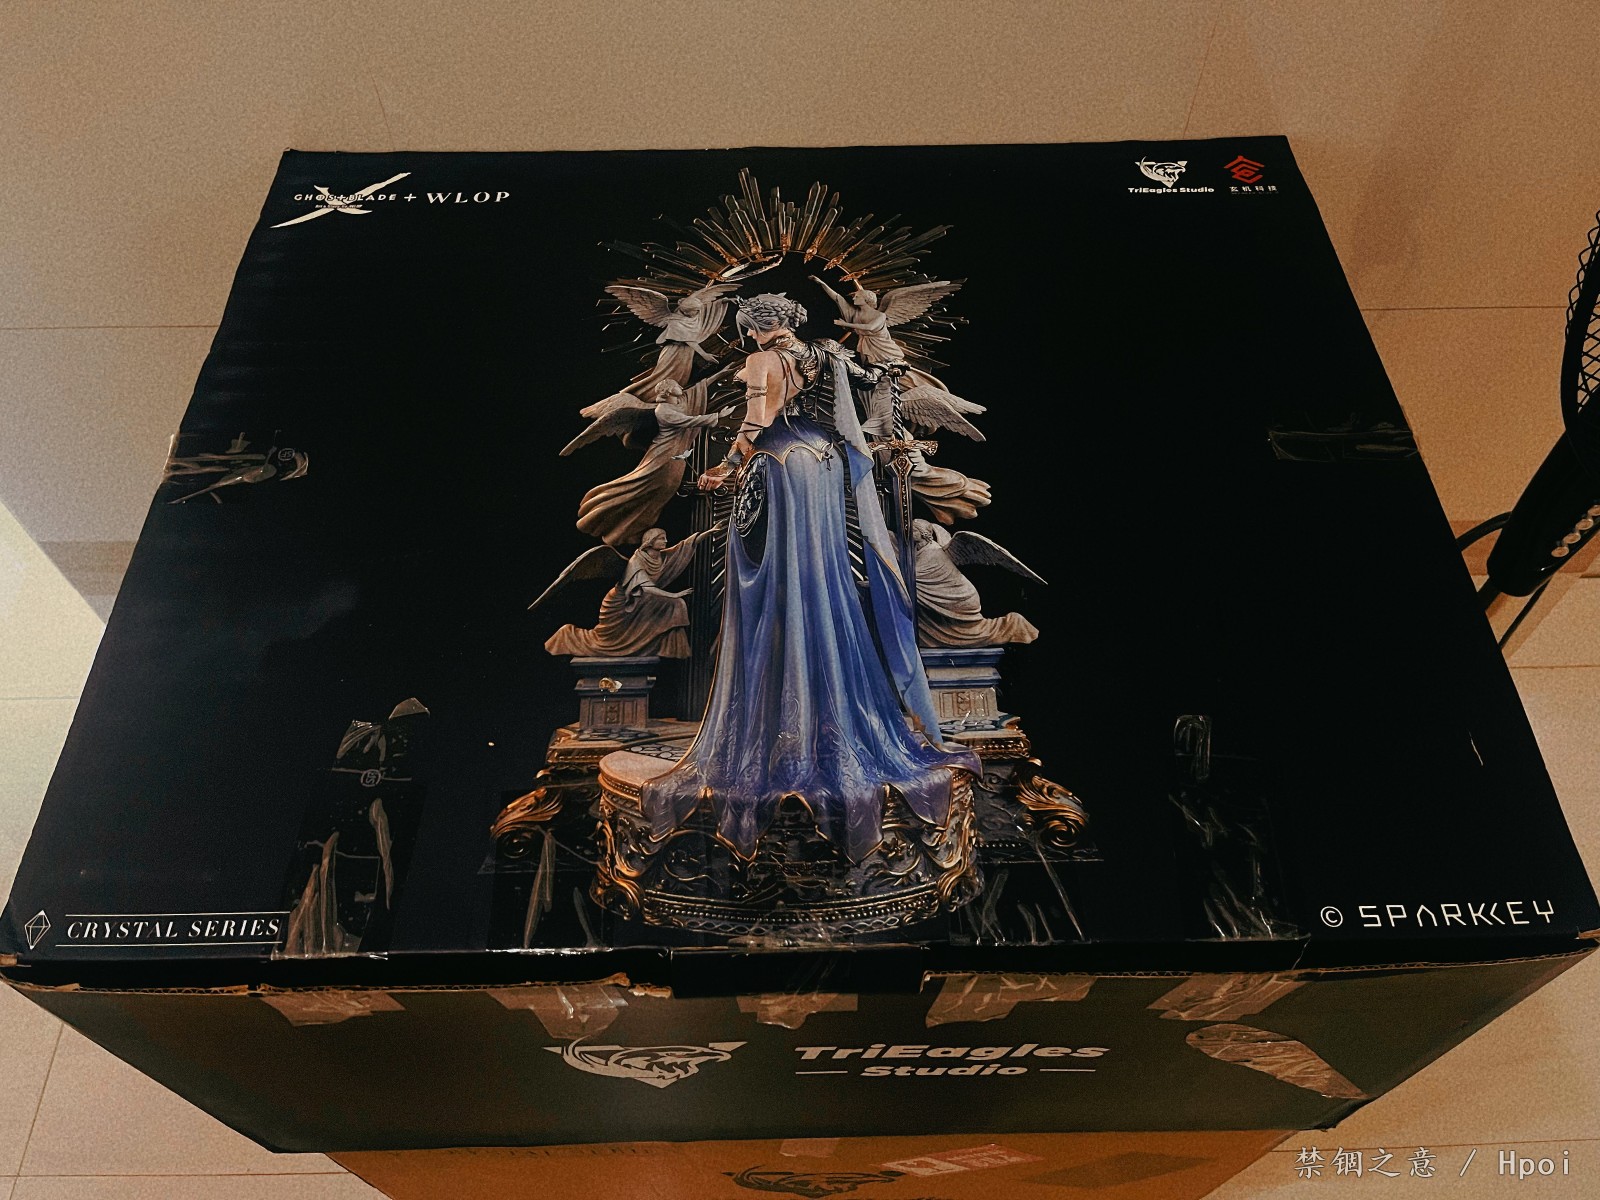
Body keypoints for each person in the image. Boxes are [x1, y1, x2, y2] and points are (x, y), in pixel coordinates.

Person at [640, 293, 979, 863]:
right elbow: (872, 388)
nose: (747, 340)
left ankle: (783, 729)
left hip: (780, 464)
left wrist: (726, 466)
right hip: (822, 463)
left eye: (748, 329)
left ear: (763, 325)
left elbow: (759, 417)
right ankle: (828, 716)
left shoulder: (762, 360)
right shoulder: (824, 354)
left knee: (776, 585)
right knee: (822, 583)